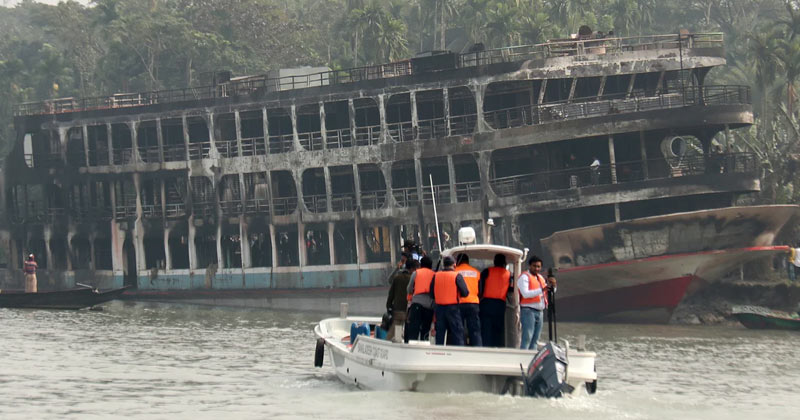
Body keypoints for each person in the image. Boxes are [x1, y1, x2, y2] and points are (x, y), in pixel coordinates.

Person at [429, 256, 469, 345]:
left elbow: (431, 294)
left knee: (440, 333)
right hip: (453, 308)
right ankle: (458, 354)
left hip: (439, 308)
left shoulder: (436, 276)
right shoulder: (457, 276)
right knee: (457, 333)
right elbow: (465, 292)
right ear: (454, 265)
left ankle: (439, 354)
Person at [479, 253, 512, 347]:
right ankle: (498, 348)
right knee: (498, 329)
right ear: (505, 263)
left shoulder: (486, 271)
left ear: (494, 261)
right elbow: (510, 289)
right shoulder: (509, 274)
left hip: (486, 303)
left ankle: (485, 347)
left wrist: (479, 298)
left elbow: (481, 287)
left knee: (486, 328)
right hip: (500, 304)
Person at [518, 255, 550, 350]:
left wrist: (553, 286)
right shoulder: (524, 277)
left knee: (535, 339)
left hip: (540, 312)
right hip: (528, 311)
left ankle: (532, 361)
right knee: (527, 337)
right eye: (534, 266)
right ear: (529, 266)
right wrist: (542, 289)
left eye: (538, 266)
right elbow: (526, 294)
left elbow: (547, 291)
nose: (536, 268)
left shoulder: (540, 278)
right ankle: (522, 359)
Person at [406, 255, 436, 342]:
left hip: (417, 304)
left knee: (414, 328)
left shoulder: (416, 273)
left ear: (421, 264)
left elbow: (409, 289)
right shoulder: (434, 274)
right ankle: (424, 344)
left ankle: (412, 346)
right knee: (426, 329)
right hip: (429, 306)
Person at [455, 253, 482, 346]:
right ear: (468, 261)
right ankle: (478, 349)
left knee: (459, 329)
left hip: (459, 303)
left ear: (457, 261)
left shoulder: (455, 271)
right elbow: (481, 290)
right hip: (473, 303)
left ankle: (461, 349)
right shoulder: (476, 272)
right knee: (475, 329)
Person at [386, 259, 416, 342]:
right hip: (409, 311)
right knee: (408, 332)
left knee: (396, 331)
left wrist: (388, 307)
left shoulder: (397, 278)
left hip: (398, 310)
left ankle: (394, 345)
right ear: (412, 269)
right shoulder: (413, 279)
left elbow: (391, 294)